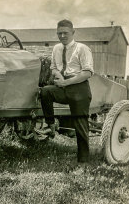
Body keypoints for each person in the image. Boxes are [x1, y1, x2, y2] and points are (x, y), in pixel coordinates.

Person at [40, 19, 94, 163]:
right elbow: (53, 67)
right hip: (63, 86)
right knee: (45, 92)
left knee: (80, 124)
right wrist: (58, 75)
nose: (62, 36)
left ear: (73, 32)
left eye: (65, 33)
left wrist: (66, 82)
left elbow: (87, 73)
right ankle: (50, 126)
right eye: (59, 33)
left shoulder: (82, 49)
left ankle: (83, 160)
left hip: (79, 88)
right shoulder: (57, 48)